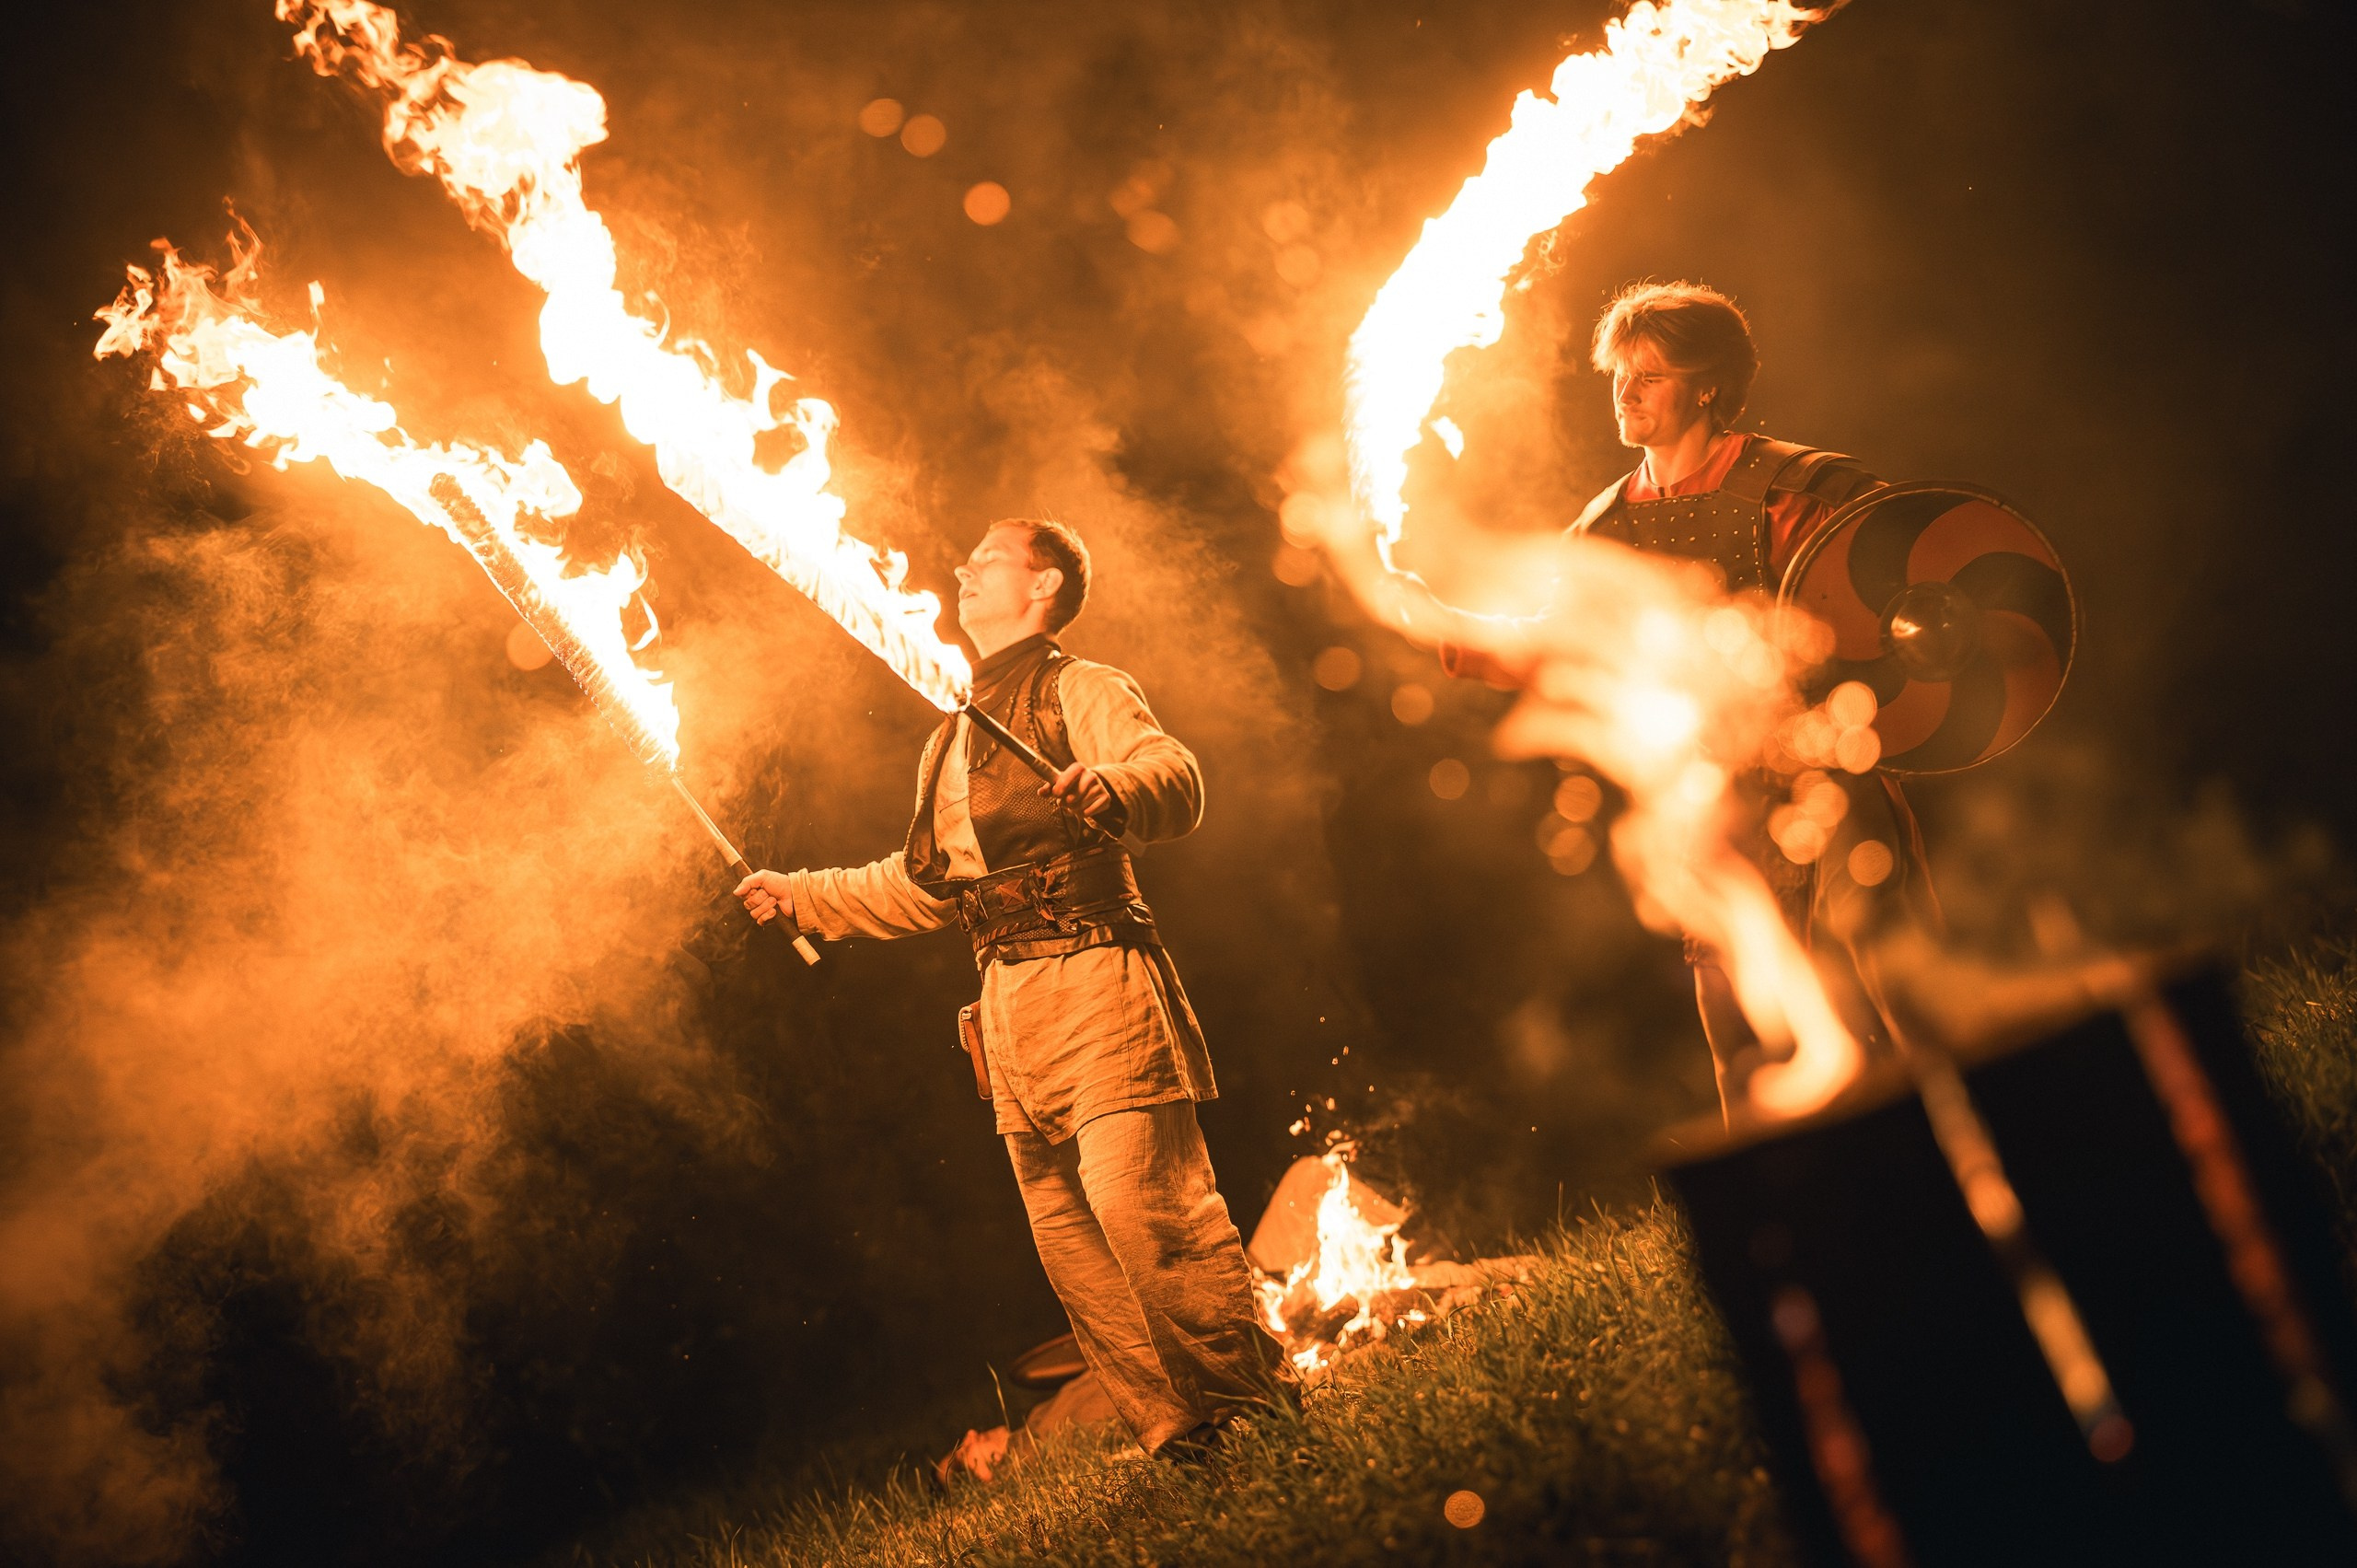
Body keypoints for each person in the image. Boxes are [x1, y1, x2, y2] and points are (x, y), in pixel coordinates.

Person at [735, 518, 1289, 1457]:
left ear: (1044, 585)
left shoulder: (1083, 687)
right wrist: (806, 895)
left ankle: (1252, 1409)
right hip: (1008, 1009)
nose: (964, 567)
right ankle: (1181, 1433)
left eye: (989, 558)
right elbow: (928, 883)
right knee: (1070, 1238)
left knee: (1142, 1207)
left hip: (1097, 976)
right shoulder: (947, 738)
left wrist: (1114, 786)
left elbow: (1175, 775)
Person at [1461, 281, 1940, 1114]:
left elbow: (1898, 595)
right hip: (1710, 806)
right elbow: (1550, 640)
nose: (1626, 390)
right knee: (1740, 1039)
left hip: (1829, 789)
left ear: (1709, 385)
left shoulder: (1803, 488)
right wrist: (1452, 623)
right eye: (1620, 372)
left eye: (1650, 374)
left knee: (1896, 994)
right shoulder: (1605, 527)